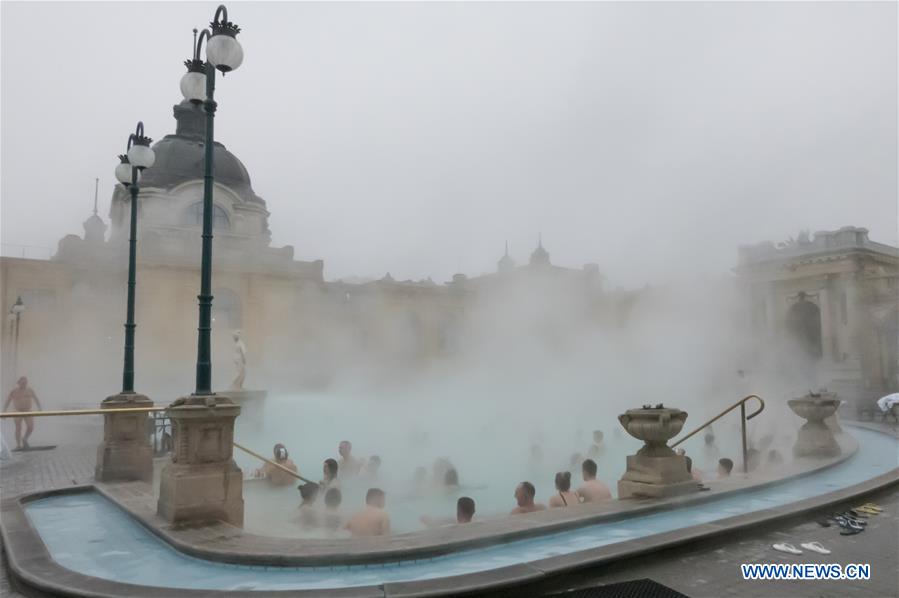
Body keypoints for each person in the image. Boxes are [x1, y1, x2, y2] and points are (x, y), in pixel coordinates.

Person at [3, 377, 42, 450]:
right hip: (17, 411)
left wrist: (39, 408)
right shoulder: (14, 391)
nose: (24, 384)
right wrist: (4, 412)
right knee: (18, 427)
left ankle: (25, 438)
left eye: (25, 383)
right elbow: (7, 402)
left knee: (30, 427)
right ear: (19, 383)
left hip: (28, 411)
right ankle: (18, 445)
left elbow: (36, 399)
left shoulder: (30, 390)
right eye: (22, 383)